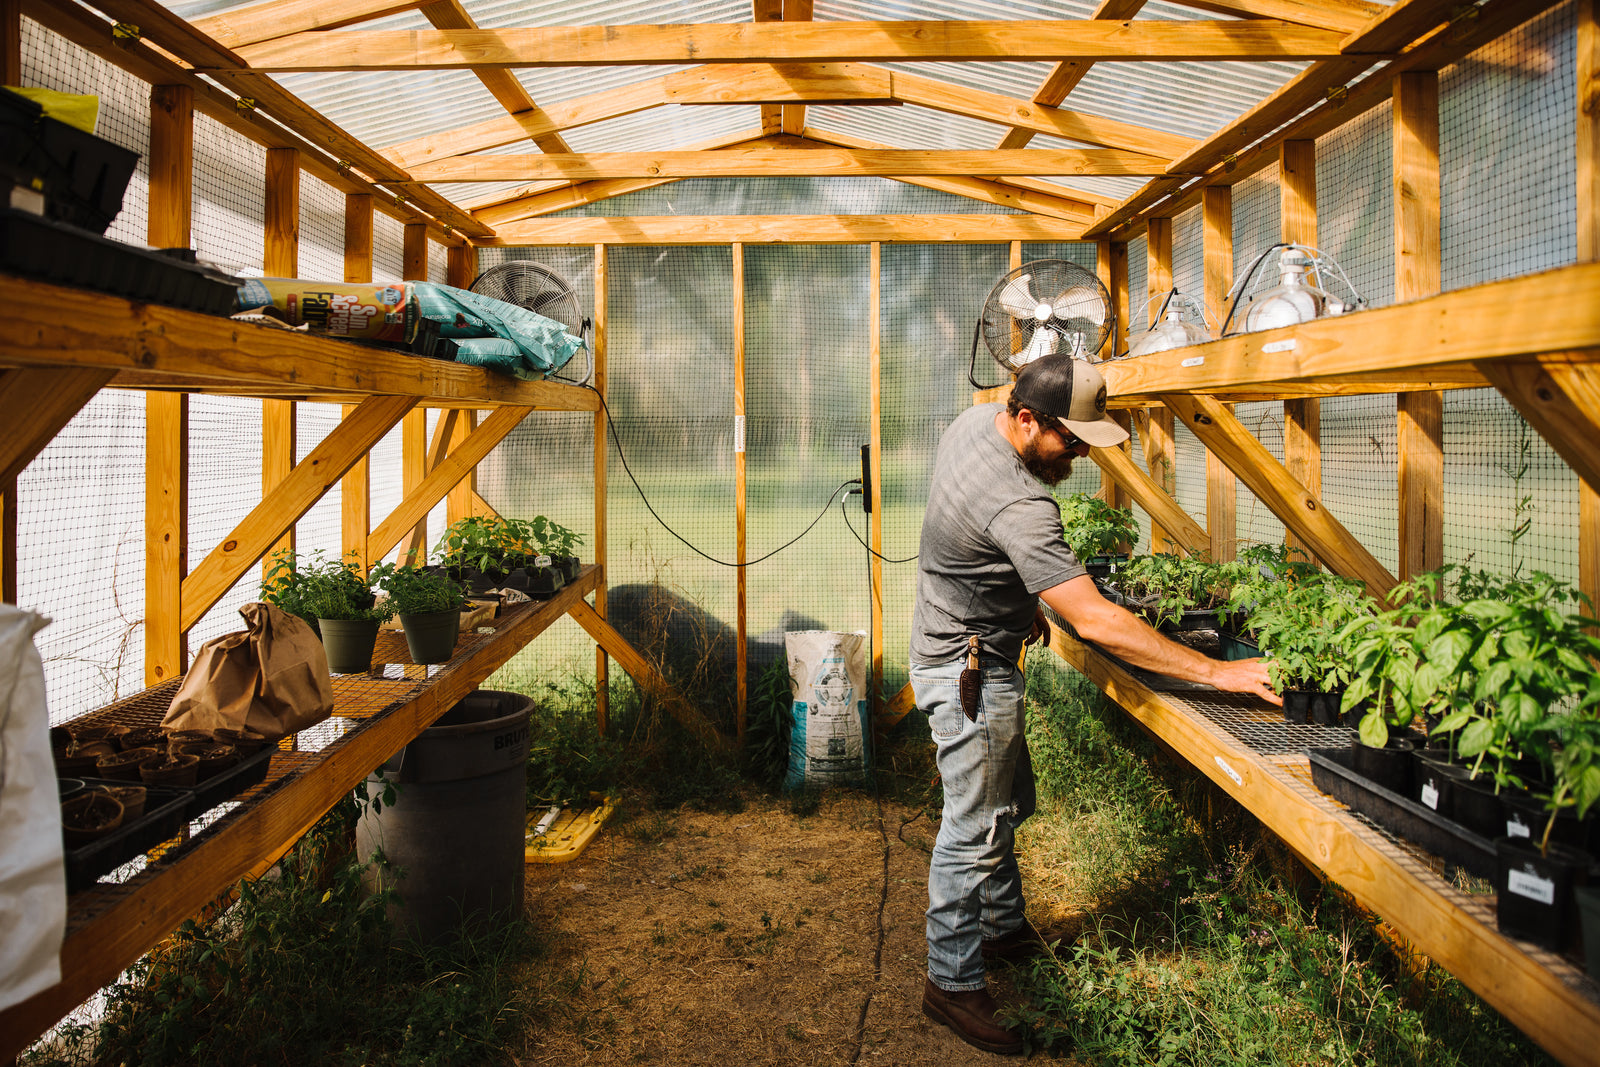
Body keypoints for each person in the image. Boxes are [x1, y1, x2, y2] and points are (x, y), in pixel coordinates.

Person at [909, 353, 1279, 1055]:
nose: (1079, 453)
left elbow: (961, 533)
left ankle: (1003, 926)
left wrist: (1015, 600)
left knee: (1000, 802)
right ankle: (950, 982)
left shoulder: (970, 423)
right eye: (1070, 439)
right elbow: (1101, 619)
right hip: (968, 673)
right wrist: (1217, 674)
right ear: (1025, 419)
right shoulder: (1021, 503)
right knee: (975, 826)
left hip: (954, 638)